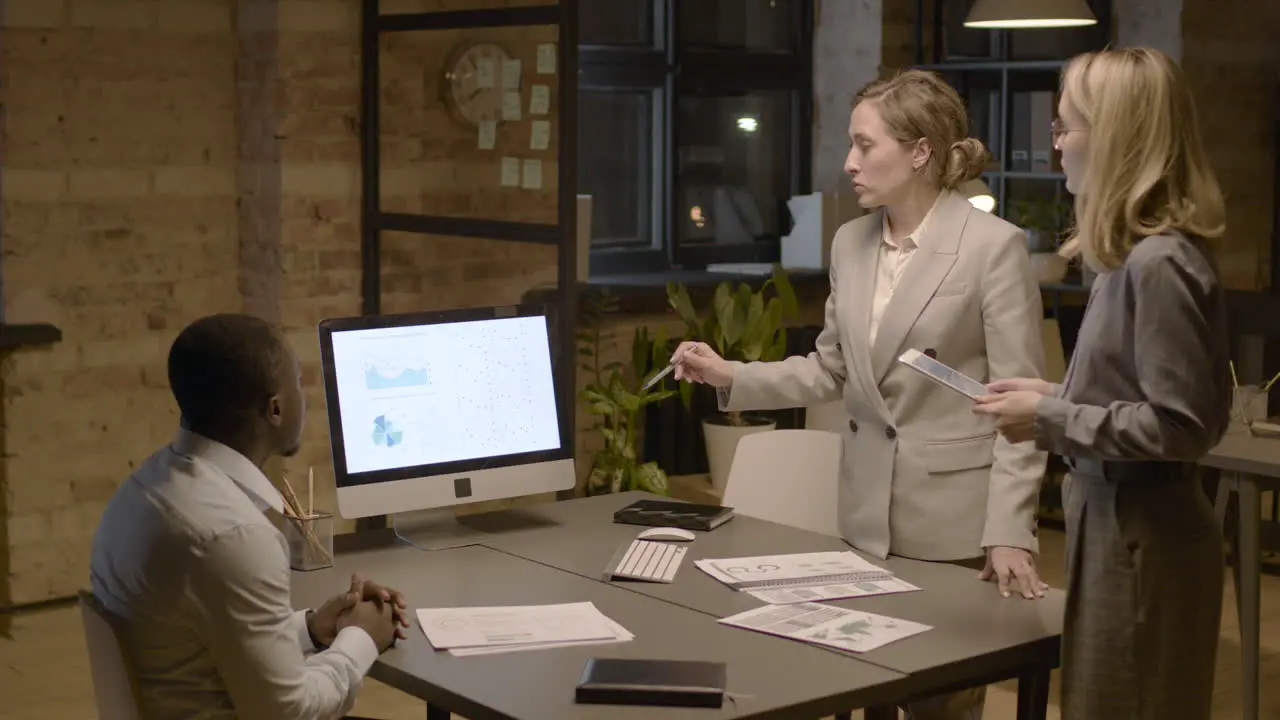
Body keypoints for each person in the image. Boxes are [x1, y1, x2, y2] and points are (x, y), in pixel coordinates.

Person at [671, 69, 1048, 720]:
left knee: (943, 705)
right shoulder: (850, 243)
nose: (849, 163)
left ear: (920, 151)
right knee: (872, 691)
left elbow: (1019, 408)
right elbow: (833, 370)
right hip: (864, 520)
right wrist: (734, 375)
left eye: (864, 145)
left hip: (955, 526)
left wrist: (1011, 531)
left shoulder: (993, 247)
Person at [973, 47, 1229, 720]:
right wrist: (1053, 397)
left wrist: (1050, 417)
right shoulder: (1129, 256)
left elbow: (1182, 425)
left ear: (1117, 133)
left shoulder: (1160, 261)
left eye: (1065, 125)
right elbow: (1132, 396)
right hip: (1113, 521)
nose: (1053, 143)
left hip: (1145, 532)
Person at [90, 313, 411, 720]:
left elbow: (197, 647)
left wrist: (311, 628)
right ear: (274, 410)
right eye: (297, 380)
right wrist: (361, 637)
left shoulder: (143, 487)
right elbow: (289, 712)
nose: (305, 392)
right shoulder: (232, 534)